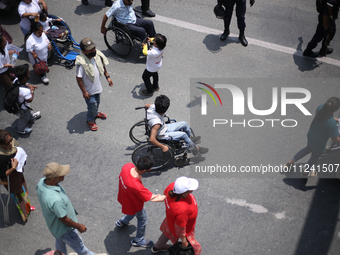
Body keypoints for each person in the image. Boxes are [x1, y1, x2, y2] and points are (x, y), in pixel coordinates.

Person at [36, 162, 106, 255]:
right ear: (53, 179)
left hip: (55, 228)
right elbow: (64, 219)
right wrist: (79, 226)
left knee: (60, 241)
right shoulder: (56, 200)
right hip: (66, 229)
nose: (64, 174)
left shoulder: (41, 182)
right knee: (81, 249)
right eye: (61, 174)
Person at [115, 156, 166, 248]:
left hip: (124, 197)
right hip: (134, 203)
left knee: (132, 212)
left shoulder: (127, 166)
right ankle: (138, 240)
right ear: (147, 170)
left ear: (137, 161)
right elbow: (153, 198)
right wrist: (169, 197)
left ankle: (122, 221)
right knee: (142, 219)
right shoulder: (136, 186)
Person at [284, 97, 340, 177]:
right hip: (319, 143)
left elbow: (324, 115)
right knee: (314, 157)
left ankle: (289, 163)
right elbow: (334, 138)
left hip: (311, 136)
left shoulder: (321, 108)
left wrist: (332, 118)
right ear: (336, 109)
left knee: (307, 149)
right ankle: (305, 172)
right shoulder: (331, 123)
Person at [152, 176, 201, 255]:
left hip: (170, 221)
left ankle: (157, 247)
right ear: (184, 194)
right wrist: (184, 241)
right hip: (186, 228)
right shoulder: (182, 209)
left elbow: (165, 194)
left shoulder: (172, 186)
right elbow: (180, 228)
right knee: (195, 246)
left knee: (166, 234)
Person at [75, 38, 113, 131]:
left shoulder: (97, 56)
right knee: (92, 104)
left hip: (97, 88)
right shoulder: (81, 63)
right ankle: (90, 120)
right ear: (84, 51)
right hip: (89, 91)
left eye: (94, 48)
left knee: (97, 103)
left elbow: (102, 65)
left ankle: (95, 113)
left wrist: (107, 77)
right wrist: (84, 92)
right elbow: (78, 78)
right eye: (90, 49)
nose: (93, 50)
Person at [0, 130, 35, 222]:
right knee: (17, 193)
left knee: (22, 188)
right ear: (1, 145)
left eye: (11, 139)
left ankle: (27, 206)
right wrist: (14, 167)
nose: (11, 143)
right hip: (11, 179)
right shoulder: (2, 157)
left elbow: (17, 147)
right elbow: (2, 174)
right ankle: (24, 213)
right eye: (8, 143)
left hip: (18, 173)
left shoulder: (12, 143)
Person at [14, 64, 41, 135]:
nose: (29, 75)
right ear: (24, 77)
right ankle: (21, 129)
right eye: (28, 74)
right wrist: (32, 91)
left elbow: (24, 83)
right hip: (23, 107)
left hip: (18, 104)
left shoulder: (16, 80)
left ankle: (31, 117)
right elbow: (29, 99)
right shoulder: (25, 91)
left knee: (27, 112)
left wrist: (29, 86)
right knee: (23, 118)